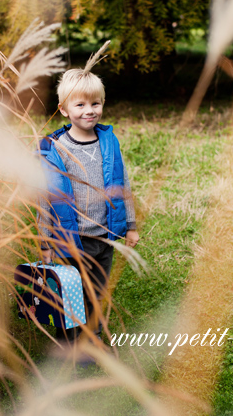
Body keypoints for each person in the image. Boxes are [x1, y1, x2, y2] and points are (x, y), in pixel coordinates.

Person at [37, 68, 139, 344]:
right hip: (71, 238)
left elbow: (122, 183)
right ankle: (69, 341)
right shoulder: (56, 149)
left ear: (102, 104)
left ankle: (91, 338)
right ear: (64, 110)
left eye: (95, 103)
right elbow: (46, 198)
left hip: (104, 236)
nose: (89, 111)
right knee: (71, 291)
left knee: (96, 290)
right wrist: (45, 241)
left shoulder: (109, 141)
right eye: (80, 105)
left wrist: (129, 225)